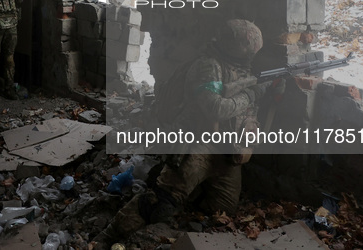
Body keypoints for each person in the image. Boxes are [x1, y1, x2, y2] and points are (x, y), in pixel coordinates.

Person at [94, 19, 284, 248]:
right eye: (250, 48)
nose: (253, 54)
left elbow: (246, 109)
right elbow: (216, 108)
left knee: (222, 210)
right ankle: (105, 237)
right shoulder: (208, 66)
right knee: (159, 202)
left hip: (227, 149)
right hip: (197, 145)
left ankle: (183, 194)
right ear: (237, 47)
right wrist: (253, 94)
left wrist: (269, 92)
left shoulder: (242, 67)